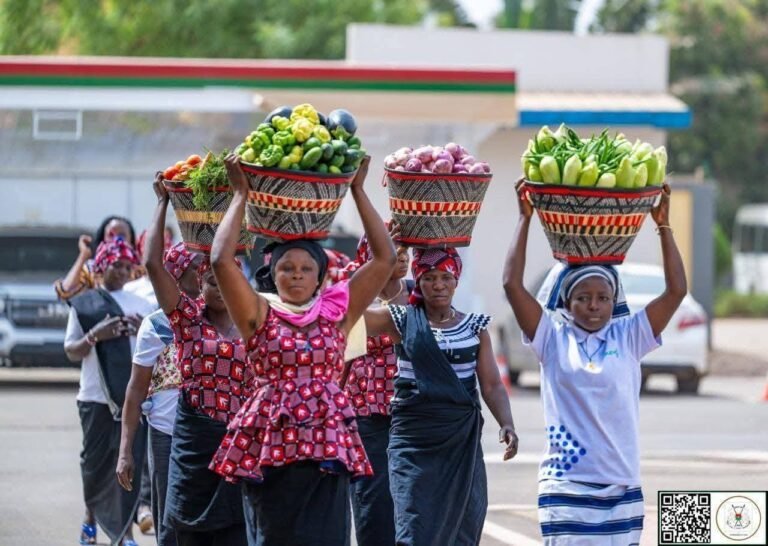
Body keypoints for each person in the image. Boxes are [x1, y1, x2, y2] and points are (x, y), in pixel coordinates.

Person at [208, 154, 396, 545]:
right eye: (286, 268)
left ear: (319, 278)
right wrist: (241, 194)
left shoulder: (336, 311)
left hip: (327, 446)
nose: (296, 273)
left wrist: (357, 191)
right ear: (272, 277)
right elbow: (220, 260)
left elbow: (384, 259)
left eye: (306, 268)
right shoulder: (258, 312)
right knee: (274, 535)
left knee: (328, 536)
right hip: (272, 445)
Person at [502, 182, 686, 545]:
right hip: (566, 484)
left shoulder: (629, 336)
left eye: (602, 297)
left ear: (613, 300)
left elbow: (676, 291)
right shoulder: (552, 339)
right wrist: (525, 219)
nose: (593, 305)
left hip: (622, 483)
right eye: (583, 297)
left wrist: (664, 226)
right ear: (567, 303)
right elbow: (511, 284)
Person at [364, 246, 519, 546]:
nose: (438, 285)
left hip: (460, 443)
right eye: (429, 278)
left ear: (456, 281)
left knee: (463, 525)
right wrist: (383, 264)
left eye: (446, 278)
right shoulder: (401, 320)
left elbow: (491, 385)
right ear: (418, 282)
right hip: (413, 443)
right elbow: (350, 313)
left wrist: (507, 423)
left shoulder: (475, 327)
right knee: (413, 525)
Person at [141, 175, 252, 546]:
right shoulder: (187, 320)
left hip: (240, 445)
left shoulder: (257, 322)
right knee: (183, 531)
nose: (219, 288)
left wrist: (242, 194)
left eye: (227, 279)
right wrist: (162, 204)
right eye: (211, 281)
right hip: (193, 446)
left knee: (239, 533)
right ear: (200, 283)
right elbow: (153, 264)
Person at [64, 237, 155, 546]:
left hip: (130, 399)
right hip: (94, 397)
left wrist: (144, 327)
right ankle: (89, 519)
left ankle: (123, 532)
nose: (123, 271)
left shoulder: (144, 306)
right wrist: (95, 336)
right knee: (94, 464)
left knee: (126, 463)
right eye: (117, 265)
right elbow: (70, 350)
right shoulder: (86, 303)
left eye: (129, 267)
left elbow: (162, 350)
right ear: (102, 266)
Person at [117, 242, 202, 546]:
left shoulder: (220, 317)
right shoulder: (155, 325)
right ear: (176, 275)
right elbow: (136, 388)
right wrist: (126, 450)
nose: (204, 272)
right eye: (196, 267)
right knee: (170, 520)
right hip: (166, 434)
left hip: (211, 432)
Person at [342, 230, 411, 546]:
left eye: (405, 249)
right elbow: (343, 359)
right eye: (393, 249)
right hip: (368, 416)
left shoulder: (419, 296)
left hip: (412, 415)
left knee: (411, 505)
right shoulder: (358, 301)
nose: (402, 254)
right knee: (373, 505)